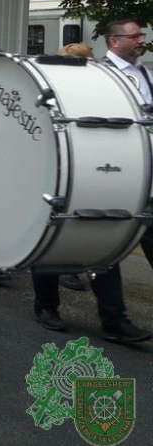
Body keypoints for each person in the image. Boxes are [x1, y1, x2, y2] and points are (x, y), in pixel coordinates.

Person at [29, 37, 152, 342]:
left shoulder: (98, 93)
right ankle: (46, 307)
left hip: (92, 175)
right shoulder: (49, 92)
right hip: (53, 175)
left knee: (103, 245)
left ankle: (113, 319)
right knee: (49, 245)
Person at [101, 19, 153, 272]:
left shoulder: (143, 72)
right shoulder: (99, 72)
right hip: (115, 164)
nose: (141, 41)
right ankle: (113, 312)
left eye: (141, 35)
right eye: (135, 36)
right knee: (110, 240)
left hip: (145, 165)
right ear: (114, 41)